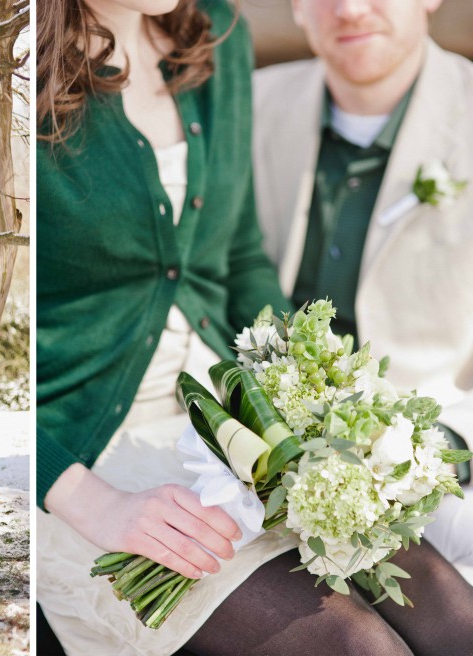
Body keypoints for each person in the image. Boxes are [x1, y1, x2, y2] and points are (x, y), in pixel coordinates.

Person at [37, 1, 473, 654]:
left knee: (453, 620)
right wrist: (92, 503)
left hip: (238, 421)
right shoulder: (12, 70)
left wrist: (323, 407)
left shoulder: (214, 35)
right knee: (358, 647)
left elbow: (236, 256)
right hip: (82, 457)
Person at [252, 0, 473, 593]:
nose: (349, 9)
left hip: (439, 441)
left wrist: (445, 447)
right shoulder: (247, 105)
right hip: (262, 438)